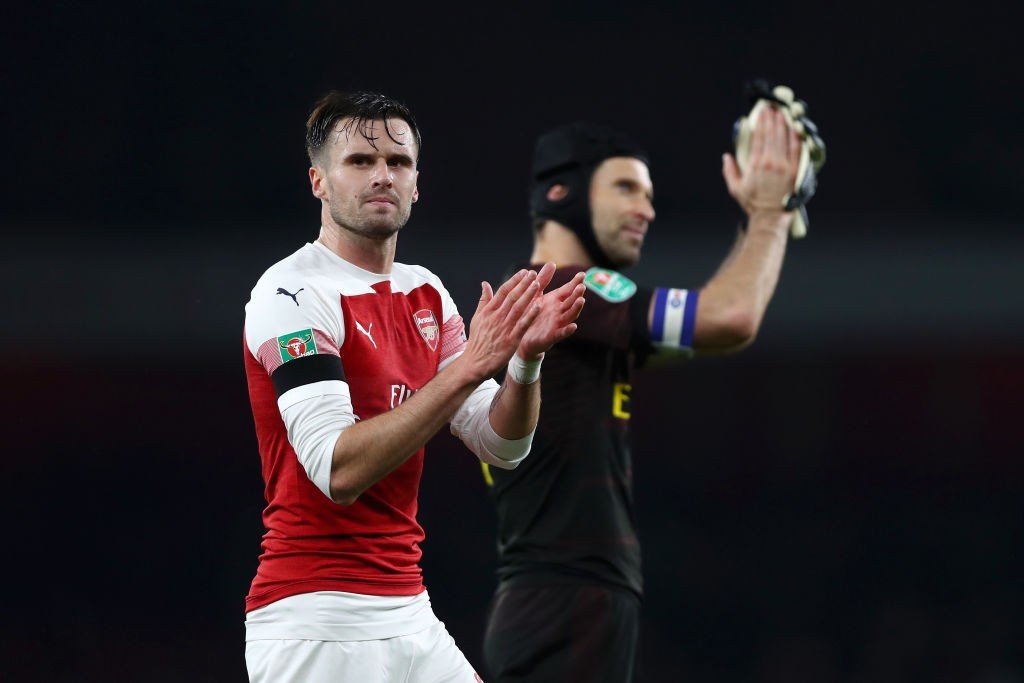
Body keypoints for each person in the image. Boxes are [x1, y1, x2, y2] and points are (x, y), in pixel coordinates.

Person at [241, 90, 586, 683]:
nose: (382, 176)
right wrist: (469, 367)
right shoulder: (291, 293)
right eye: (360, 161)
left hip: (408, 610)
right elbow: (337, 470)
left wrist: (524, 363)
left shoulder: (424, 291)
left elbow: (502, 446)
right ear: (318, 181)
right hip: (317, 620)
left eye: (398, 162)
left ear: (417, 183)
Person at [480, 105, 809, 682]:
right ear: (560, 193)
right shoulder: (565, 291)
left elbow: (713, 326)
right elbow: (731, 317)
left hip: (560, 597)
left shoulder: (570, 316)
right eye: (626, 188)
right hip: (565, 599)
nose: (647, 209)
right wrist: (769, 211)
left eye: (650, 194)